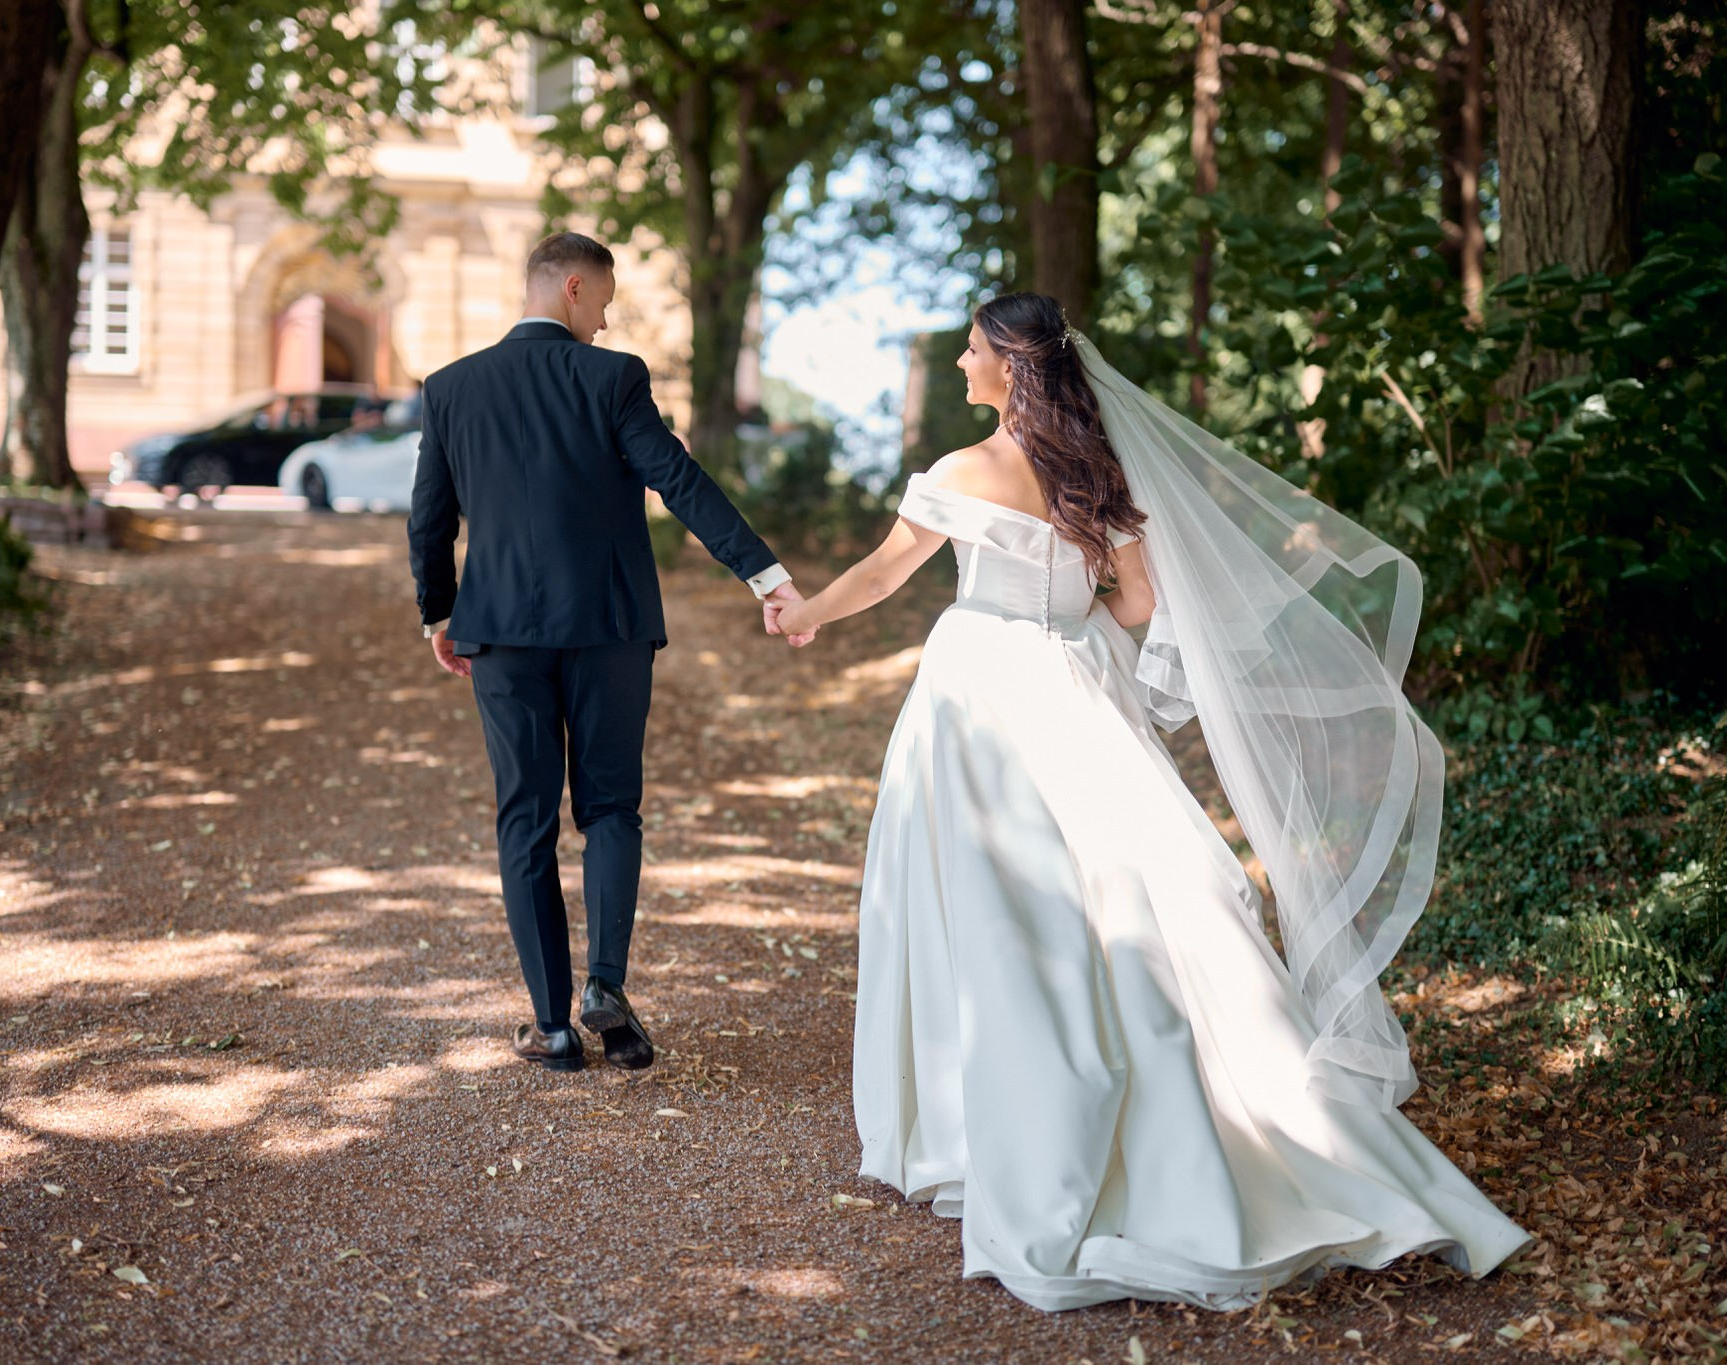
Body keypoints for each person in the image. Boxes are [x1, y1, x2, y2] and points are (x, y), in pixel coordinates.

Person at [766, 292, 1533, 1311]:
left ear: (1010, 367)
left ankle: (974, 1125)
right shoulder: (1096, 476)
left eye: (971, 350)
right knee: (1141, 890)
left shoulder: (957, 474)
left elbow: (883, 571)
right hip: (1076, 687)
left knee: (984, 900)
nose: (958, 363)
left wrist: (805, 613)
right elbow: (1136, 606)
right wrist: (1070, 612)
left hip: (976, 695)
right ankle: (1248, 1117)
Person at [407, 231, 808, 1074]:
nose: (607, 318)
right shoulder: (614, 378)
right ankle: (606, 987)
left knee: (525, 819)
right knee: (611, 810)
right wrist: (763, 574)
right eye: (608, 300)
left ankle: (552, 1028)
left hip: (503, 635)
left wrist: (439, 616)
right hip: (610, 628)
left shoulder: (449, 390)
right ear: (576, 287)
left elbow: (429, 522)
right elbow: (680, 479)